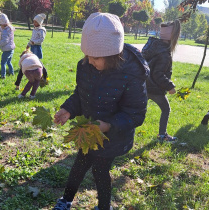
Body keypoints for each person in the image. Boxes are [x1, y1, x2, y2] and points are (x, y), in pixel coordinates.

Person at [53, 13, 149, 210]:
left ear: (112, 55)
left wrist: (109, 126)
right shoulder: (86, 66)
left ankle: (104, 206)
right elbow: (80, 95)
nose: (89, 61)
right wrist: (68, 109)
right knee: (79, 165)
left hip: (112, 137)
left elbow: (135, 113)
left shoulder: (131, 73)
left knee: (100, 170)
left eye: (95, 57)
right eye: (87, 55)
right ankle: (66, 199)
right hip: (89, 132)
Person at [141, 19, 181, 143]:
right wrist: (170, 86)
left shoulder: (152, 46)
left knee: (137, 110)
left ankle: (121, 130)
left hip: (143, 85)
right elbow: (157, 74)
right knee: (166, 109)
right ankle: (162, 135)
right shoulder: (164, 53)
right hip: (154, 88)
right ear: (174, 37)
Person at [15, 13, 48, 90]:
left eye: (36, 22)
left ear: (39, 23)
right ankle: (17, 84)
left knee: (39, 64)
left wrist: (34, 43)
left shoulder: (42, 30)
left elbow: (41, 40)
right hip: (32, 47)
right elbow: (32, 38)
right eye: (34, 21)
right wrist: (28, 45)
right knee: (25, 65)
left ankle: (45, 79)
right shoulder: (34, 29)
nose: (34, 23)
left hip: (37, 48)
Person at [0, 13, 15, 79]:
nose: (0, 26)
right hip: (11, 49)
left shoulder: (5, 31)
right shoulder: (9, 29)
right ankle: (12, 72)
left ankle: (3, 75)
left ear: (3, 24)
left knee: (3, 63)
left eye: (0, 24)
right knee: (9, 62)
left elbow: (4, 41)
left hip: (7, 50)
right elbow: (1, 29)